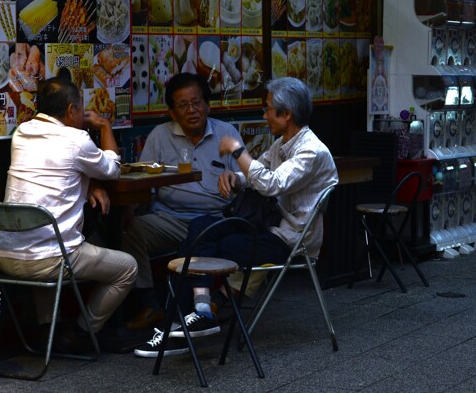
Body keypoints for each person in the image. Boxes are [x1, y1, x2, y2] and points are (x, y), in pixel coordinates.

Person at [135, 77, 337, 357]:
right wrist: (236, 178)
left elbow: (271, 184)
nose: (264, 116)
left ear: (286, 114)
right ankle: (201, 310)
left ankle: (177, 323)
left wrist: (237, 151)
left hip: (288, 241)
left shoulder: (311, 151)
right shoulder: (282, 144)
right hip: (267, 227)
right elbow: (257, 174)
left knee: (207, 244)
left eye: (267, 110)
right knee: (202, 227)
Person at [0, 76, 137, 352]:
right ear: (72, 110)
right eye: (82, 108)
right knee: (128, 268)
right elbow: (112, 168)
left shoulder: (21, 134)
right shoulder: (77, 139)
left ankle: (50, 331)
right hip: (50, 261)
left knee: (41, 242)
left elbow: (53, 173)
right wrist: (105, 125)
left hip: (6, 256)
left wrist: (89, 184)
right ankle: (81, 331)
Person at [121, 72, 243, 331]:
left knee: (210, 235)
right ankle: (150, 303)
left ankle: (196, 308)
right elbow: (143, 177)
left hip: (215, 219)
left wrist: (237, 176)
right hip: (171, 217)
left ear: (207, 105)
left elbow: (250, 176)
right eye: (183, 105)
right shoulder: (159, 135)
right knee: (132, 230)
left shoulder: (226, 133)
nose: (192, 110)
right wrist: (130, 209)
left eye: (197, 102)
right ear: (172, 112)